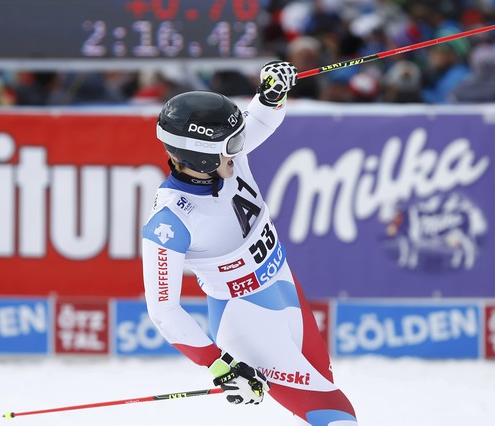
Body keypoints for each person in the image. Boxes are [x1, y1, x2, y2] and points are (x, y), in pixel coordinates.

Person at [141, 61, 358, 425]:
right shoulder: (170, 221)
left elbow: (260, 120)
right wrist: (219, 365)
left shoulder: (225, 159)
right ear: (202, 154)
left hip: (285, 289)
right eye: (232, 144)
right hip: (247, 320)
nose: (240, 148)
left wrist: (272, 95)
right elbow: (164, 310)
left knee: (326, 402)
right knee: (337, 417)